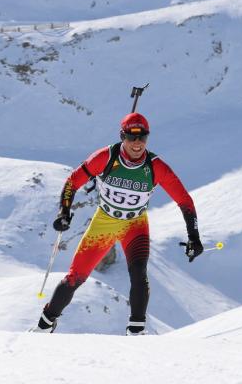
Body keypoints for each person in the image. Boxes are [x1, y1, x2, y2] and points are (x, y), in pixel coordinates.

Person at [30, 112, 204, 335]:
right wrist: (63, 212)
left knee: (139, 272)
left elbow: (184, 200)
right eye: (132, 137)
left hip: (135, 224)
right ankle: (44, 326)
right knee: (75, 277)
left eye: (143, 137)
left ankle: (136, 331)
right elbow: (73, 182)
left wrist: (194, 236)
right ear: (122, 136)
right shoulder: (106, 157)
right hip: (104, 223)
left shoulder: (155, 167)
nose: (137, 143)